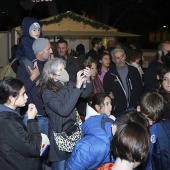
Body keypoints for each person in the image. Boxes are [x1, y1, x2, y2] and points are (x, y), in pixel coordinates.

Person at [39, 58, 92, 170]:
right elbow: (64, 110)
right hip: (60, 138)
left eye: (64, 68)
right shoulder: (47, 92)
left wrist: (87, 79)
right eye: (60, 69)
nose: (64, 72)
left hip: (73, 133)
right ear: (51, 74)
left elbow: (86, 92)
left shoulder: (67, 84)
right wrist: (77, 88)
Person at [16, 38, 52, 170]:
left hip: (48, 116)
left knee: (42, 154)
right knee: (30, 155)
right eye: (48, 49)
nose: (51, 51)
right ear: (40, 51)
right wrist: (33, 77)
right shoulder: (27, 66)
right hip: (32, 118)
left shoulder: (49, 65)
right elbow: (18, 92)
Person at [0, 77, 42, 170]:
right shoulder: (7, 123)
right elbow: (34, 150)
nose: (27, 96)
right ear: (11, 98)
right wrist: (31, 120)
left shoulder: (9, 113)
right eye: (23, 94)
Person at [66, 92, 115, 170]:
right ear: (97, 107)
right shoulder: (93, 127)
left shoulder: (111, 120)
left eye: (111, 103)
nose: (111, 106)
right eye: (107, 104)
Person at [103, 48, 143, 118]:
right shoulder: (109, 75)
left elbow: (140, 89)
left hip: (134, 109)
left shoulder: (134, 71)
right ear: (113, 60)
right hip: (117, 112)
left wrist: (139, 103)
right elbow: (107, 92)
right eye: (117, 58)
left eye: (122, 56)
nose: (121, 60)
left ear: (125, 56)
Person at [137, 92, 170, 170]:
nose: (151, 123)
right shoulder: (131, 126)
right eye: (148, 119)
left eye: (154, 120)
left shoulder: (160, 126)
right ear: (139, 109)